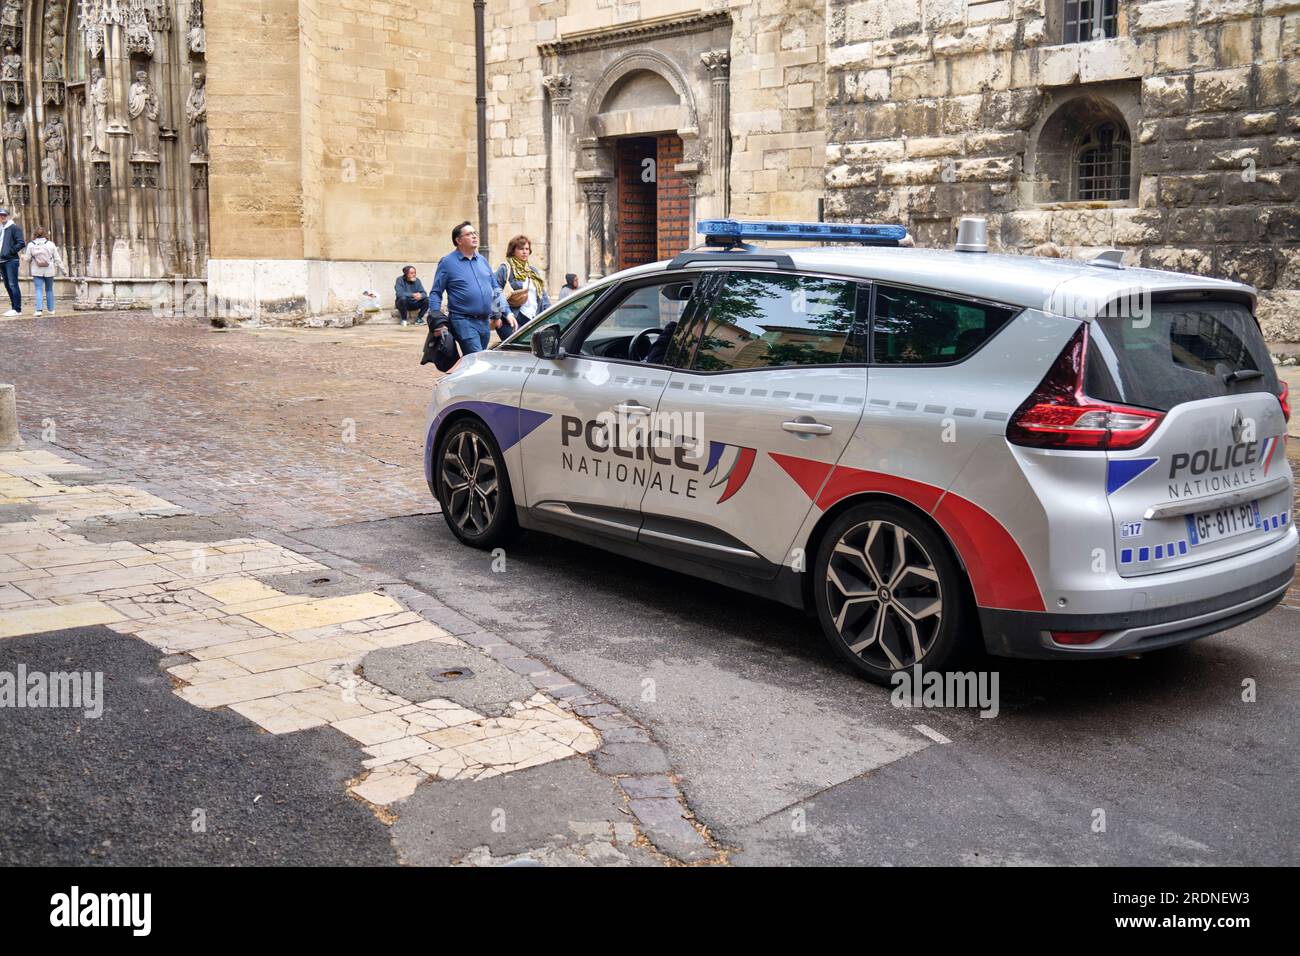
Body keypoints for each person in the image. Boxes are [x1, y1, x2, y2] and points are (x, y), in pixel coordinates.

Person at [428, 221, 502, 355]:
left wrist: (498, 313)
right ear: (458, 240)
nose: (474, 236)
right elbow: (436, 292)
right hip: (463, 320)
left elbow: (495, 288)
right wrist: (436, 320)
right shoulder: (447, 262)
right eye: (469, 234)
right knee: (477, 358)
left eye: (475, 233)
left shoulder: (482, 260)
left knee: (474, 360)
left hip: (484, 321)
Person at [494, 235, 550, 338]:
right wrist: (499, 316)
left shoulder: (532, 271)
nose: (525, 252)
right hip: (512, 320)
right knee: (514, 352)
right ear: (513, 251)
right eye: (521, 249)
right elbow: (494, 293)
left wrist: (550, 314)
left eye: (527, 249)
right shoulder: (505, 269)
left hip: (533, 319)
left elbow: (542, 295)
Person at [24, 226, 63, 317]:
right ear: (45, 234)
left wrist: (23, 257)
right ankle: (51, 309)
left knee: (38, 289)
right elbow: (57, 258)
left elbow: (28, 259)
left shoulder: (31, 244)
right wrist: (63, 270)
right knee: (49, 289)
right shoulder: (51, 244)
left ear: (35, 234)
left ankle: (39, 310)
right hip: (49, 270)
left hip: (36, 270)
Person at [0, 207, 25, 315]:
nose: (2, 217)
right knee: (7, 285)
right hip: (2, 261)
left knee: (13, 284)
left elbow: (21, 243)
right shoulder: (1, 229)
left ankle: (17, 309)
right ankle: (13, 307)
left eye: (4, 215)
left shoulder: (14, 228)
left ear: (8, 216)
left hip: (11, 260)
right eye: (0, 216)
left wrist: (9, 251)